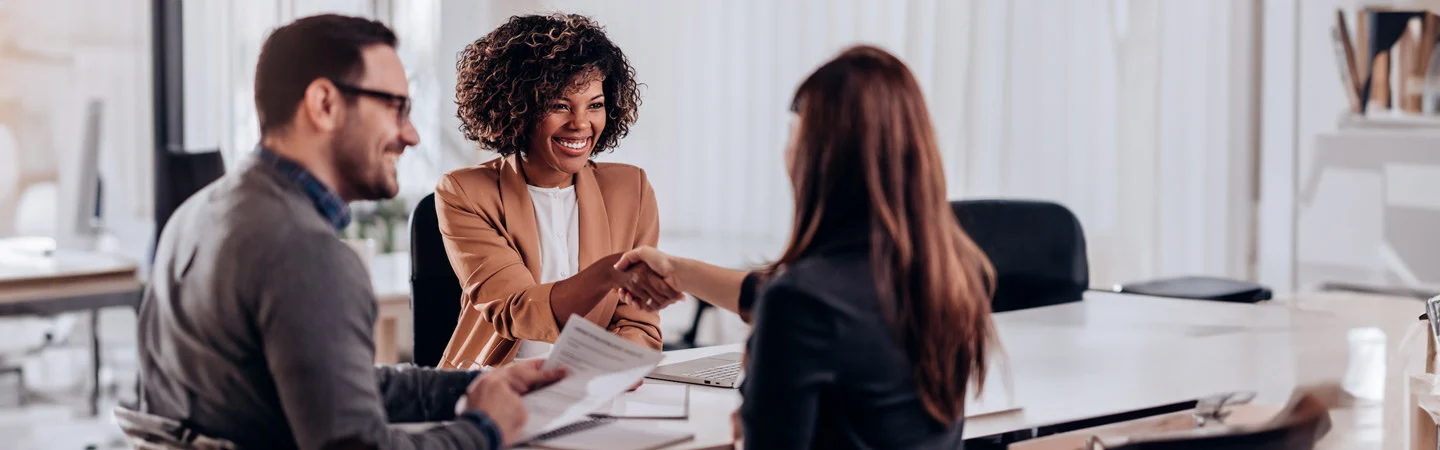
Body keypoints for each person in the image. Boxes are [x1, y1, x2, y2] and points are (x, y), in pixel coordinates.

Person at [133, 15, 563, 450]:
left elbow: (330, 386)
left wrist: (474, 384)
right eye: (396, 108)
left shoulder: (198, 212)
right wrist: (484, 429)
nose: (411, 135)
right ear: (324, 104)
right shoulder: (304, 253)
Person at [614, 46, 1000, 449]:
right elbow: (781, 296)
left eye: (795, 136)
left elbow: (795, 307)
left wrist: (749, 418)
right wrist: (676, 270)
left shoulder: (802, 301)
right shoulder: (948, 275)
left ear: (821, 160)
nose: (787, 152)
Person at [438, 13, 678, 369]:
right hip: (494, 386)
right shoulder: (465, 192)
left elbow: (637, 322)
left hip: (593, 390)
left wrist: (615, 370)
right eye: (559, 105)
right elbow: (516, 309)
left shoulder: (632, 190)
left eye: (595, 105)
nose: (581, 124)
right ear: (517, 108)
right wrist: (608, 273)